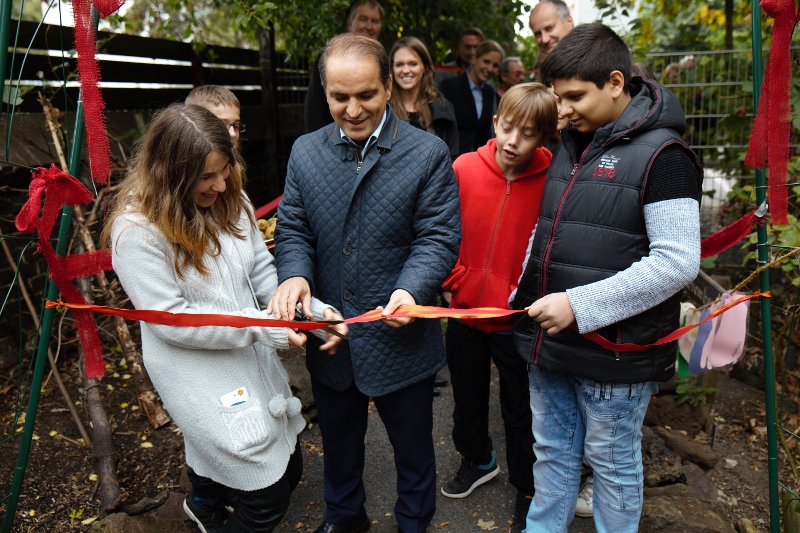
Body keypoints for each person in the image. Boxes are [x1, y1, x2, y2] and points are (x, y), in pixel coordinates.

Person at [103, 104, 347, 533]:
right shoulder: (136, 232)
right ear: (170, 175)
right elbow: (170, 319)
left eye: (224, 169)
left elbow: (260, 271)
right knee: (266, 499)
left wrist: (308, 311)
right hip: (194, 370)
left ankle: (203, 502)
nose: (221, 183)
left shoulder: (229, 199)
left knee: (288, 473)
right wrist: (264, 326)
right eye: (206, 176)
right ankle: (212, 506)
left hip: (244, 357)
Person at [512, 23, 702, 533]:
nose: (562, 109)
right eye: (557, 97)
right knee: (551, 455)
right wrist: (522, 292)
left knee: (612, 467)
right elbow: (549, 228)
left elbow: (678, 262)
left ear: (615, 83)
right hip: (549, 343)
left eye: (575, 96)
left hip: (613, 352)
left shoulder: (665, 156)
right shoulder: (573, 143)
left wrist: (578, 304)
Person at [269, 33, 461, 533]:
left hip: (402, 341)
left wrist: (411, 288)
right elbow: (292, 229)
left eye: (366, 95)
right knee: (339, 448)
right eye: (339, 97)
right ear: (325, 91)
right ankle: (344, 520)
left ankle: (414, 523)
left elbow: (438, 237)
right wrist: (293, 275)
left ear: (388, 87)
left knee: (414, 452)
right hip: (334, 342)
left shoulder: (428, 154)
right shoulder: (305, 153)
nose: (353, 109)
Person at [440, 83, 556, 533]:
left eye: (527, 134)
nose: (513, 141)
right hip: (465, 310)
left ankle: (528, 486)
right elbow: (441, 227)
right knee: (466, 393)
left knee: (521, 407)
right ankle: (477, 458)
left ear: (544, 136)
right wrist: (453, 281)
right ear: (494, 123)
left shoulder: (553, 180)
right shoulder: (464, 168)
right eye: (507, 128)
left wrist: (525, 295)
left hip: (517, 318)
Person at [304, 0, 384, 133]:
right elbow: (315, 110)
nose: (369, 26)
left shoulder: (383, 60)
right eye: (363, 19)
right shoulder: (330, 58)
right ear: (349, 23)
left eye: (375, 21)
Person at [389, 37, 459, 161]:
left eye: (413, 64)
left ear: (425, 68)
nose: (405, 70)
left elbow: (452, 157)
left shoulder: (442, 108)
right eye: (399, 64)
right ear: (392, 69)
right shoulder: (382, 108)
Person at [440, 40, 504, 156]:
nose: (490, 68)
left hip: (480, 159)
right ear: (475, 59)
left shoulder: (489, 92)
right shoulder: (450, 86)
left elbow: (485, 131)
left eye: (495, 65)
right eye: (486, 62)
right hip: (453, 158)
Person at [529, 0, 573, 81]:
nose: (544, 39)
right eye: (538, 34)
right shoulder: (541, 66)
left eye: (549, 28)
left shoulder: (594, 54)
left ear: (569, 22)